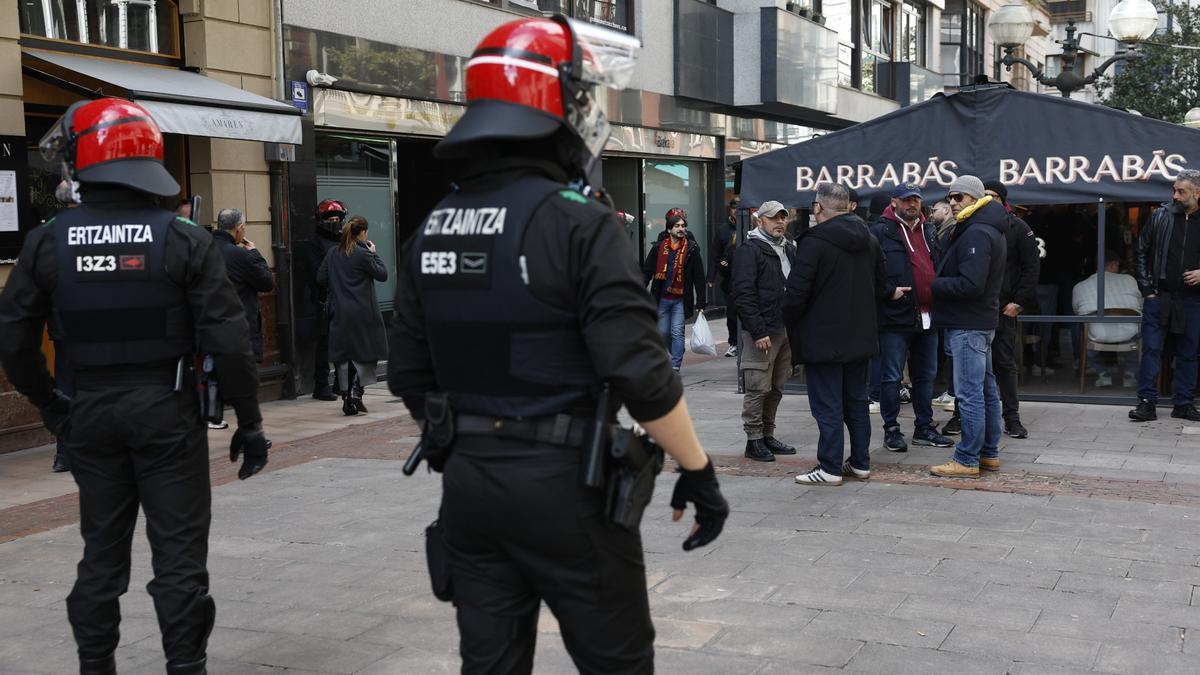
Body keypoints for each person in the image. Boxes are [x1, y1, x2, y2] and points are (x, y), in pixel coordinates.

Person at [386, 16, 728, 673]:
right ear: (557, 107)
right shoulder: (579, 223)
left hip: (469, 487)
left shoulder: (432, 228)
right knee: (618, 660)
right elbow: (640, 371)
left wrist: (472, 436)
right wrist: (699, 469)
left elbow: (407, 369)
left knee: (489, 664)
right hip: (568, 486)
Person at [0, 97, 267, 675]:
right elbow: (229, 340)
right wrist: (251, 420)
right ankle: (185, 666)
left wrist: (52, 408)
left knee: (100, 554)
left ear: (89, 162)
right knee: (178, 559)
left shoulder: (48, 241)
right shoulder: (184, 238)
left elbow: (13, 341)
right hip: (167, 411)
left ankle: (96, 666)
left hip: (90, 411)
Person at [786, 183, 889, 486]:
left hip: (823, 338)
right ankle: (859, 462)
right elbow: (882, 287)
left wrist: (788, 319)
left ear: (819, 207)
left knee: (828, 404)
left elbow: (796, 293)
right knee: (856, 402)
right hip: (860, 336)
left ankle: (830, 466)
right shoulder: (869, 240)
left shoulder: (814, 242)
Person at [929, 175, 1008, 478]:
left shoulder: (977, 232)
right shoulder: (987, 227)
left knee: (970, 393)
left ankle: (966, 458)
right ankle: (987, 453)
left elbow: (972, 283)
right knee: (986, 390)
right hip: (978, 321)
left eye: (959, 197)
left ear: (975, 199)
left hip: (969, 323)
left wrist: (933, 284)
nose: (952, 202)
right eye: (950, 197)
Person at [869, 182, 954, 453]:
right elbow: (866, 272)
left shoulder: (929, 229)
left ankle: (924, 428)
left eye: (915, 199)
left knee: (925, 377)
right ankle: (891, 430)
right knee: (891, 377)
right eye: (906, 200)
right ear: (894, 202)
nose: (912, 204)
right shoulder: (879, 231)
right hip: (895, 317)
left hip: (928, 316)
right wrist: (887, 291)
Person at [1129, 169, 1200, 422]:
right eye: (1174, 190)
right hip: (1160, 297)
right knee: (1152, 350)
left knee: (1189, 353)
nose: (1176, 196)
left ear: (1197, 193)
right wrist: (1147, 291)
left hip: (1193, 300)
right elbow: (1140, 252)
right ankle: (1146, 403)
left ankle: (1183, 403)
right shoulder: (1160, 216)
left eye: (1181, 191)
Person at [732, 200, 797, 462]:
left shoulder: (788, 248)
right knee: (758, 387)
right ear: (760, 221)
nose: (780, 222)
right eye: (773, 218)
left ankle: (768, 434)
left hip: (784, 329)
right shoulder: (750, 250)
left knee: (776, 387)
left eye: (783, 217)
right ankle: (753, 439)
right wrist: (758, 331)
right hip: (763, 331)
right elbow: (743, 294)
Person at [317, 215, 388, 416]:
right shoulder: (363, 253)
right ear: (362, 233)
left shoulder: (332, 253)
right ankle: (357, 391)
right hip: (363, 312)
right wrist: (373, 253)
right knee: (368, 351)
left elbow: (320, 278)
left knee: (344, 356)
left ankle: (347, 396)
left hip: (339, 312)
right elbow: (383, 275)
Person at [643, 208, 706, 370]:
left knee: (677, 332)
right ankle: (677, 350)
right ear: (669, 229)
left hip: (681, 299)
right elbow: (647, 272)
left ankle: (675, 365)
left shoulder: (691, 249)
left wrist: (701, 302)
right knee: (663, 333)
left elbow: (699, 277)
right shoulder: (658, 248)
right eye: (677, 226)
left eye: (683, 225)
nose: (681, 229)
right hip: (662, 298)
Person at [1073, 249, 1143, 387]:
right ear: (1112, 264)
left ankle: (1102, 374)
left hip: (1097, 335)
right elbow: (1140, 307)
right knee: (1139, 330)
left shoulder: (1080, 287)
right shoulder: (1129, 280)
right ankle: (1130, 375)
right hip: (1129, 333)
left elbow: (1077, 312)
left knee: (1082, 329)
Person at [212, 208, 275, 362]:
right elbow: (267, 282)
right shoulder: (242, 256)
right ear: (239, 228)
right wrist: (254, 252)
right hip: (239, 335)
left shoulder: (203, 249)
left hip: (209, 332)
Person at [308, 198, 346, 401]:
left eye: (337, 218)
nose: (334, 221)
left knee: (341, 342)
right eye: (330, 217)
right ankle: (321, 385)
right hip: (324, 299)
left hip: (342, 297)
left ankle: (341, 383)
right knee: (324, 344)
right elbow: (317, 274)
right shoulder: (316, 242)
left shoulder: (342, 239)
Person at [710, 198, 740, 357]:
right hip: (730, 279)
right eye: (733, 207)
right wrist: (714, 273)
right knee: (732, 314)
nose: (736, 210)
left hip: (748, 275)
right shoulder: (723, 230)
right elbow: (716, 254)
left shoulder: (752, 226)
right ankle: (734, 343)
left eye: (738, 207)